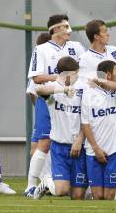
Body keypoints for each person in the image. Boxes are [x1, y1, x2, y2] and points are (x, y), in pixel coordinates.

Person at [25, 15, 84, 197]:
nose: (69, 30)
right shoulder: (41, 50)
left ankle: (77, 183)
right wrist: (60, 81)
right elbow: (36, 78)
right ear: (56, 29)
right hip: (50, 98)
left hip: (74, 99)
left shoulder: (77, 47)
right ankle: (31, 186)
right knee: (44, 142)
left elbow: (85, 72)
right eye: (66, 26)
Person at [79, 19, 116, 200]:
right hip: (96, 108)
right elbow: (85, 86)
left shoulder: (114, 51)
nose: (109, 34)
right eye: (105, 32)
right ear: (96, 36)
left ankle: (115, 185)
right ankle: (101, 186)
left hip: (115, 104)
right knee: (100, 131)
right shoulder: (85, 59)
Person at [33, 57, 88, 200]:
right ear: (69, 74)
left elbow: (87, 119)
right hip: (59, 146)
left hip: (79, 146)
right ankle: (46, 182)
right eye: (76, 73)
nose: (78, 76)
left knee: (78, 195)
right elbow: (38, 89)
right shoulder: (54, 88)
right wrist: (63, 90)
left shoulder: (83, 89)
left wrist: (79, 140)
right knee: (61, 190)